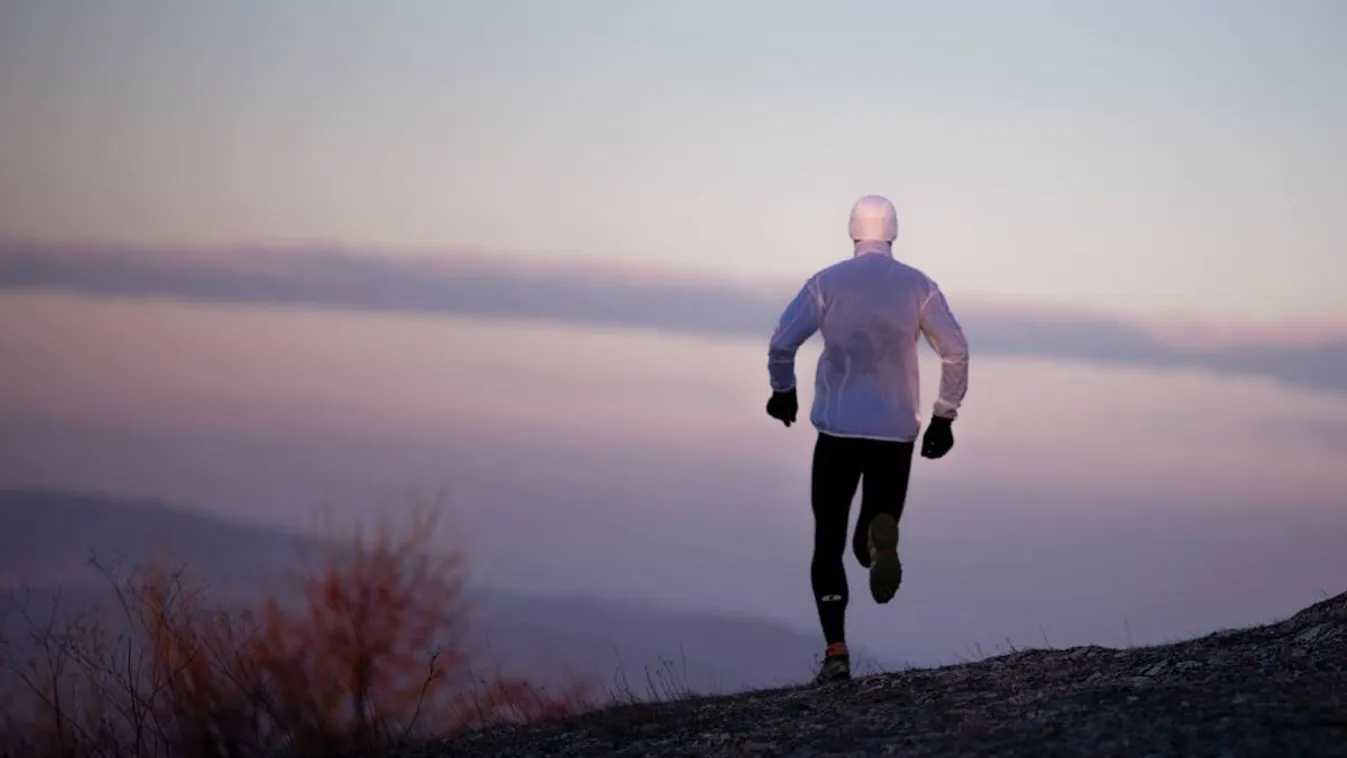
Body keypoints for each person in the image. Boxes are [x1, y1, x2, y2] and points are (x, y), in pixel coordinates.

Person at [765, 194, 970, 684]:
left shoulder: (827, 282)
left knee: (828, 543)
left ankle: (836, 653)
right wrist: (944, 416)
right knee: (868, 541)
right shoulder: (919, 286)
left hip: (837, 430)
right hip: (895, 433)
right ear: (894, 232)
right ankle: (879, 540)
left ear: (852, 231)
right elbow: (956, 350)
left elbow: (781, 342)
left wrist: (783, 391)